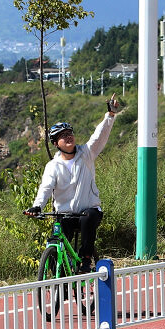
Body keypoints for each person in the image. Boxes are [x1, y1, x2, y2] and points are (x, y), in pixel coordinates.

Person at [23, 97, 123, 273]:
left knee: (87, 218)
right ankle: (59, 278)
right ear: (56, 144)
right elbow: (45, 188)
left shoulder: (86, 153)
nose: (68, 137)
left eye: (69, 133)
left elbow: (99, 136)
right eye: (62, 136)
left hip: (89, 211)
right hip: (65, 215)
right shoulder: (52, 166)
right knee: (55, 241)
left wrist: (110, 114)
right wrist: (37, 206)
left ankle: (86, 259)